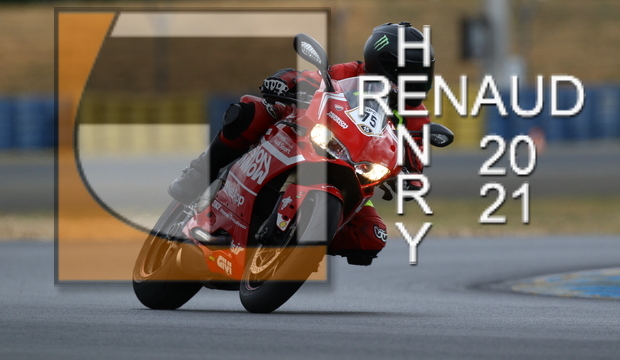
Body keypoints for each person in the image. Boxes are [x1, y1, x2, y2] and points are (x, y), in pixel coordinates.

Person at [168, 22, 434, 266]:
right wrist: (285, 82)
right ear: (385, 63)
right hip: (313, 135)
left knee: (371, 237)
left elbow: (415, 152)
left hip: (357, 172)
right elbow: (313, 78)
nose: (419, 79)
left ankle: (298, 245)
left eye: (424, 71)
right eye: (413, 71)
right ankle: (200, 173)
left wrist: (410, 178)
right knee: (252, 112)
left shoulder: (416, 114)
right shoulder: (350, 73)